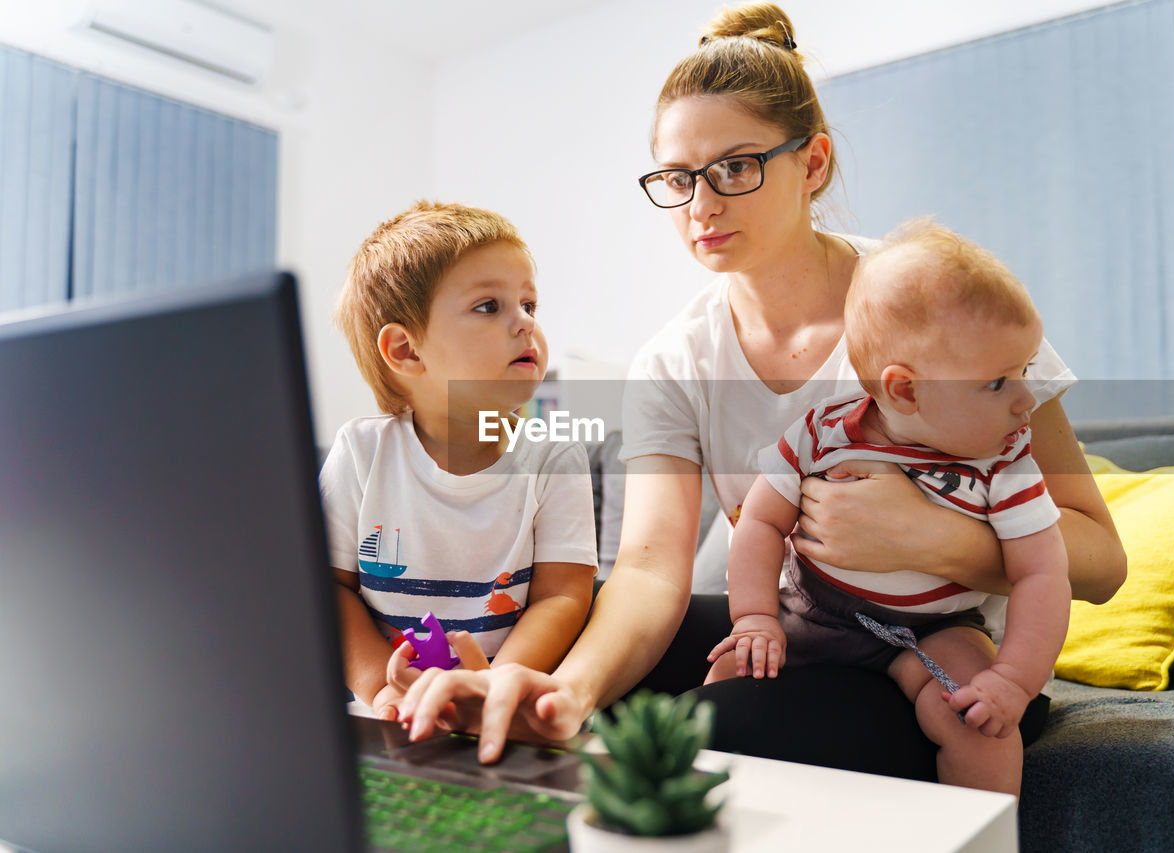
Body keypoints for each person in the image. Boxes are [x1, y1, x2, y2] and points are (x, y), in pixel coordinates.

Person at [396, 3, 1125, 776]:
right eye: (678, 178)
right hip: (798, 625)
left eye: (735, 167)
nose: (701, 204)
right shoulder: (674, 361)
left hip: (939, 645)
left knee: (705, 731)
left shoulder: (944, 310)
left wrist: (930, 537)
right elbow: (650, 571)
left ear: (812, 163)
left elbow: (1102, 562)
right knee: (576, 640)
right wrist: (567, 692)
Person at [705, 218, 1070, 795]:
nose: (1027, 400)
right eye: (999, 382)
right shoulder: (822, 432)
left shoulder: (1006, 462)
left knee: (980, 727)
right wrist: (754, 616)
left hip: (936, 632)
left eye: (1023, 371)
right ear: (904, 389)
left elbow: (1043, 573)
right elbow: (760, 520)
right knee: (728, 674)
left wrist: (1013, 682)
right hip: (811, 615)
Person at [321, 200, 597, 720]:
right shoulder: (360, 453)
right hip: (390, 711)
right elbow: (329, 592)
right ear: (406, 350)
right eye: (490, 306)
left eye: (530, 305)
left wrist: (493, 686)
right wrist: (381, 689)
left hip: (506, 709)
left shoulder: (556, 457)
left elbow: (562, 597)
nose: (525, 325)